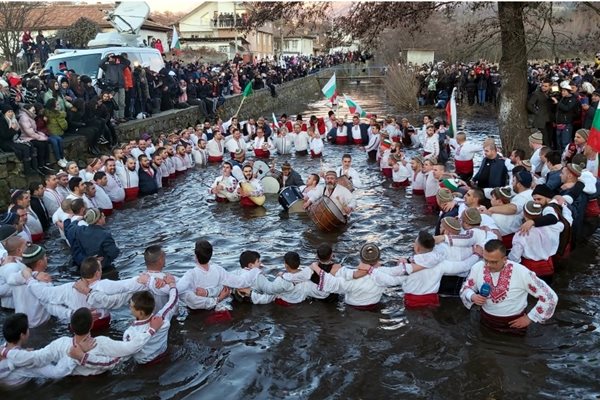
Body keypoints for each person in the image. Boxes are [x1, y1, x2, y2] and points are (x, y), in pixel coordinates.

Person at [460, 240, 558, 334]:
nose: (488, 265)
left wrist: (530, 318)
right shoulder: (478, 267)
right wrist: (472, 296)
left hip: (514, 324)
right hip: (486, 320)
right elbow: (466, 287)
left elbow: (549, 297)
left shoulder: (522, 272)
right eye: (486, 260)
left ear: (504, 259)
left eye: (494, 262)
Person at [177, 240, 261, 312]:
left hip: (198, 310)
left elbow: (178, 290)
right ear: (211, 255)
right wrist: (255, 271)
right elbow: (240, 282)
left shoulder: (191, 274)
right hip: (216, 304)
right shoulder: (218, 270)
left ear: (195, 256)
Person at [509, 201, 561, 283]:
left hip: (530, 269)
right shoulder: (552, 228)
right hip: (548, 267)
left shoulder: (521, 234)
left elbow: (515, 257)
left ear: (525, 214)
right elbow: (561, 225)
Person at [527, 78, 553, 147]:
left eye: (546, 86)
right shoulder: (537, 94)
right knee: (545, 138)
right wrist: (536, 111)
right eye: (543, 85)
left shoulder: (553, 93)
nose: (543, 87)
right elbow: (529, 104)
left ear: (550, 86)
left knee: (550, 137)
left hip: (550, 119)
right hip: (541, 119)